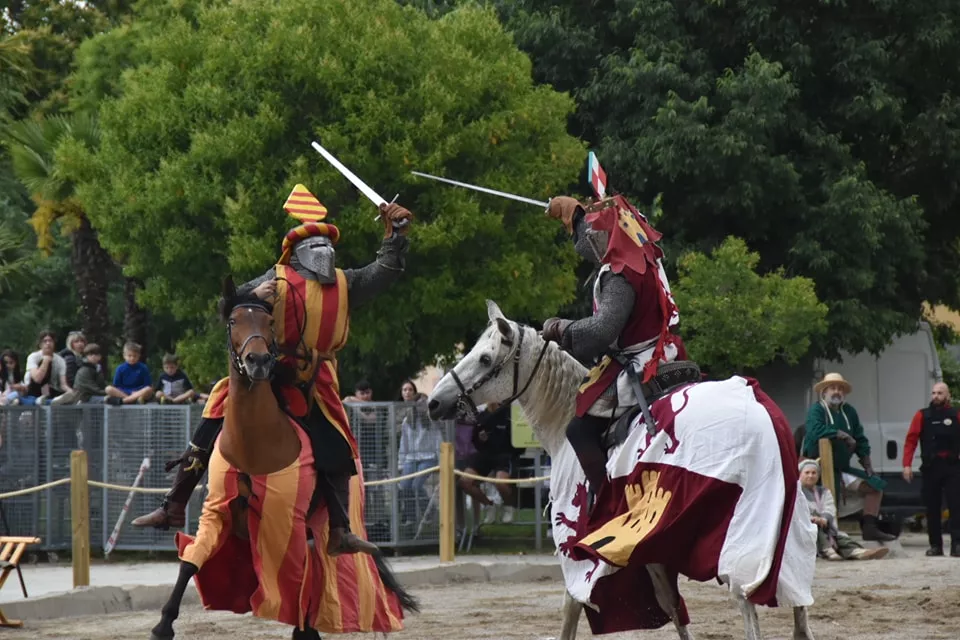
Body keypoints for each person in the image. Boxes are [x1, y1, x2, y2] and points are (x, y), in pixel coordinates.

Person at [132, 184, 414, 558]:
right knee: (215, 413)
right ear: (297, 251)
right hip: (268, 369)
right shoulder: (276, 278)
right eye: (315, 246)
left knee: (337, 443)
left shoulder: (346, 283)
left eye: (328, 246)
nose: (324, 252)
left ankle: (340, 529)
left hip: (317, 379)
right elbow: (228, 309)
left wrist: (395, 236)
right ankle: (174, 504)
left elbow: (385, 270)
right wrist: (253, 297)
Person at [540, 195, 698, 505]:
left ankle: (609, 504)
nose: (593, 242)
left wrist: (562, 329)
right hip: (668, 350)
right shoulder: (645, 260)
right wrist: (575, 217)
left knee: (579, 429)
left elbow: (602, 331)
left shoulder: (620, 273)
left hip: (640, 361)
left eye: (598, 234)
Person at [801, 372, 896, 542]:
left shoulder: (849, 411)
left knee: (875, 487)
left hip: (842, 468)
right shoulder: (817, 410)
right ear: (824, 391)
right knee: (828, 500)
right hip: (818, 469)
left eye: (840, 388)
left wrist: (866, 461)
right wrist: (841, 435)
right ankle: (823, 538)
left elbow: (859, 437)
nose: (837, 391)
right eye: (833, 388)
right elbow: (815, 431)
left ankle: (869, 528)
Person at [902, 381, 960, 557]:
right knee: (932, 507)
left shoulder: (955, 414)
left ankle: (957, 544)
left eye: (940, 393)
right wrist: (907, 465)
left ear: (947, 395)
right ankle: (935, 545)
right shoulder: (922, 415)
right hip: (931, 466)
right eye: (934, 393)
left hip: (952, 466)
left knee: (956, 505)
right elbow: (911, 440)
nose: (936, 396)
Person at [799, 459, 888, 561]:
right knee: (815, 526)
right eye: (807, 473)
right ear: (800, 475)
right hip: (805, 529)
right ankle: (827, 549)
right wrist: (813, 519)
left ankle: (858, 552)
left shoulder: (824, 491)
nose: (810, 476)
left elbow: (829, 507)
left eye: (814, 473)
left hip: (824, 525)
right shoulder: (796, 493)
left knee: (839, 537)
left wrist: (823, 519)